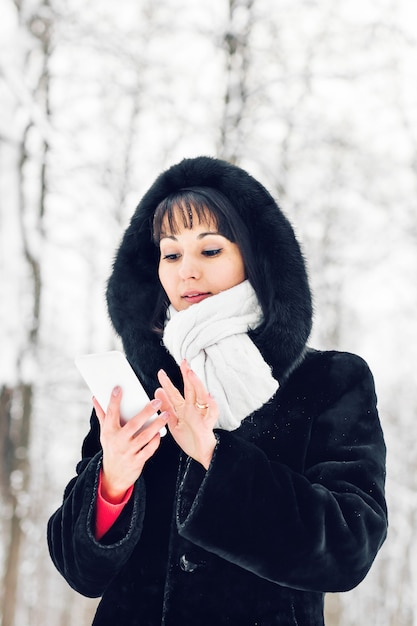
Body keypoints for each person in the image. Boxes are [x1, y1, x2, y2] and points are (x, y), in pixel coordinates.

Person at [47, 156, 387, 626]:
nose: (187, 271)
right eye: (171, 254)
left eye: (210, 251)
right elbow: (79, 571)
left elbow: (350, 546)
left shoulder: (329, 381)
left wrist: (215, 458)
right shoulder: (137, 383)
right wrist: (113, 482)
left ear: (255, 257)